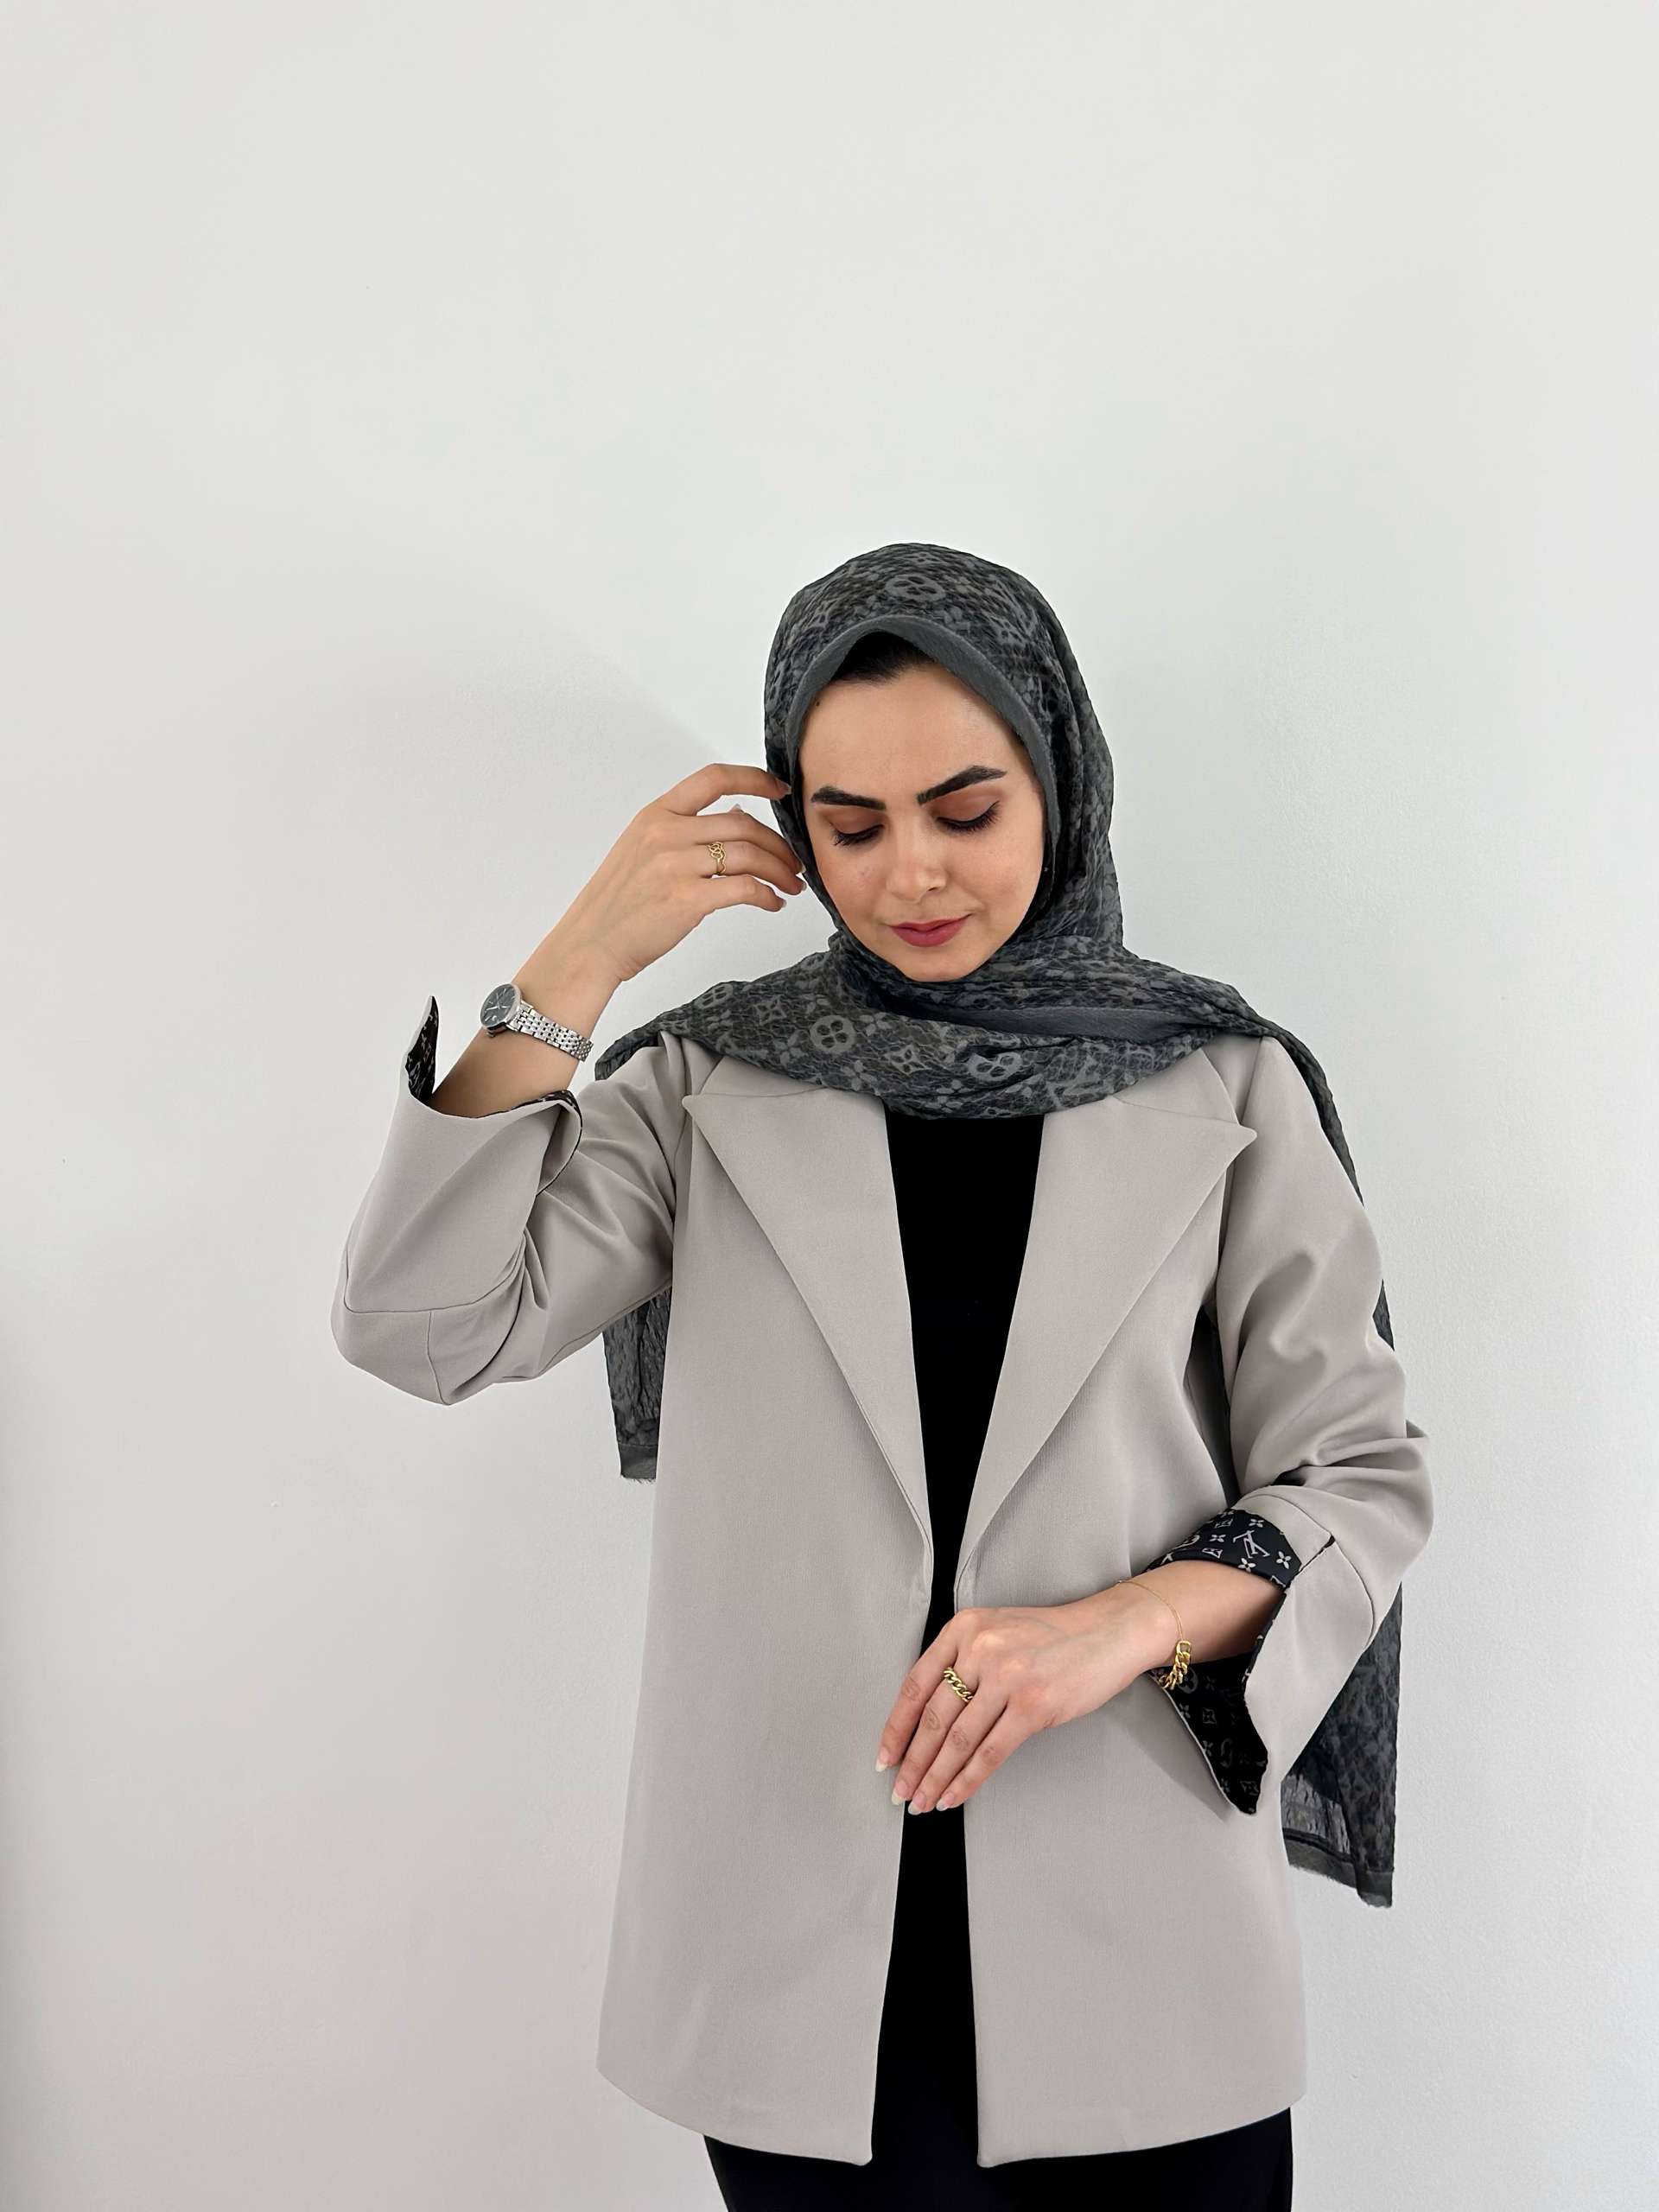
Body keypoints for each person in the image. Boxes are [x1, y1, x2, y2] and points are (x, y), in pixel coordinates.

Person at [332, 543, 1432, 2209]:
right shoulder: (708, 1084)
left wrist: (1119, 1625)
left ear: (1060, 782)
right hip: (797, 1958)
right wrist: (572, 972)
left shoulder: (1227, 1082)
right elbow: (425, 1323)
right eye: (849, 827)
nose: (911, 871)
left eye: (965, 810)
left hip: (1138, 1919)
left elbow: (1358, 1475)